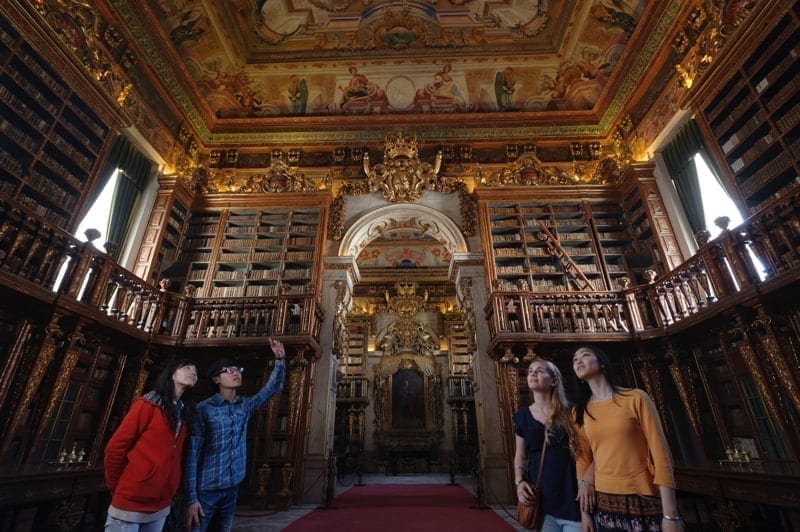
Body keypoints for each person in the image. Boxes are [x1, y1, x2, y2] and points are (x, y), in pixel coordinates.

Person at [572, 345, 683, 531]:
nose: (578, 361)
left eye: (584, 355)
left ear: (602, 363)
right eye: (575, 360)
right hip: (603, 500)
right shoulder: (580, 412)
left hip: (641, 495)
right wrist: (584, 513)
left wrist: (670, 514)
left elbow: (660, 454)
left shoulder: (635, 398)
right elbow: (583, 460)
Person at [185, 338, 286, 531]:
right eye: (228, 370)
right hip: (207, 488)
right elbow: (192, 455)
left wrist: (280, 360)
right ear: (216, 379)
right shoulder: (203, 410)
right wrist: (191, 498)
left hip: (232, 486)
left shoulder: (244, 406)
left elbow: (269, 391)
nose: (235, 373)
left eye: (237, 370)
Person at [104, 358, 198, 531]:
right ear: (171, 375)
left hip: (161, 501)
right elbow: (116, 447)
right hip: (132, 497)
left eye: (195, 371)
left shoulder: (184, 412)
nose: (192, 372)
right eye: (186, 368)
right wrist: (119, 486)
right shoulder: (148, 404)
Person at [513, 358, 593, 532]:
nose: (533, 373)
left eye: (540, 371)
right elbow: (520, 455)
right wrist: (519, 482)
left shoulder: (572, 412)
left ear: (554, 380)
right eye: (530, 371)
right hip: (542, 500)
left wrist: (588, 482)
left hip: (572, 496)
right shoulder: (521, 417)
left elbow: (590, 451)